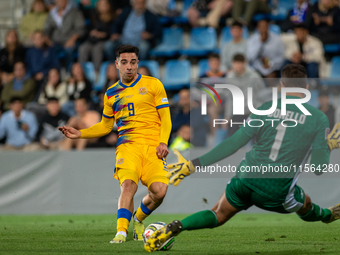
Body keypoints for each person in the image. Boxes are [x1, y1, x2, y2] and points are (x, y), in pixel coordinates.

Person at [144, 64, 340, 252]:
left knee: (217, 214)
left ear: (281, 86)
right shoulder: (318, 118)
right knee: (305, 203)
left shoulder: (265, 108)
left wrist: (193, 165)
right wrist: (328, 145)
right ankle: (327, 215)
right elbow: (318, 167)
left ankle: (177, 226)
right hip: (277, 192)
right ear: (306, 88)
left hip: (245, 178)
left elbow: (233, 143)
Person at [59, 45, 172, 243]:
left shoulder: (154, 84)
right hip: (128, 147)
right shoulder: (111, 93)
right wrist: (81, 133)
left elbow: (166, 118)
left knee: (159, 192)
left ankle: (138, 218)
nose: (129, 66)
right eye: (125, 62)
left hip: (153, 146)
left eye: (133, 62)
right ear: (116, 64)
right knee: (128, 186)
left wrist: (163, 142)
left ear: (138, 63)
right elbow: (105, 126)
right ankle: (121, 232)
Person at [224, 54, 265, 137]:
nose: (238, 65)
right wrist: (227, 116)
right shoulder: (229, 78)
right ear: (233, 64)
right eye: (236, 63)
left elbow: (262, 95)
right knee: (232, 135)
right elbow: (230, 99)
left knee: (257, 134)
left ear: (245, 63)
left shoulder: (255, 76)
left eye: (240, 63)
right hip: (238, 112)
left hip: (253, 111)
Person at [44, 0, 85, 70]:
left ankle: (69, 72)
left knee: (69, 50)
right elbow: (47, 29)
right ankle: (54, 73)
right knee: (47, 51)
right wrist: (47, 40)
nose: (60, 2)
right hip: (56, 41)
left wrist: (72, 40)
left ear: (66, 1)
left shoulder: (74, 12)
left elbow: (81, 29)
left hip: (71, 40)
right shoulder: (52, 13)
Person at [78, 0, 115, 73]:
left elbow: (113, 31)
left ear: (109, 5)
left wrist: (104, 34)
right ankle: (81, 71)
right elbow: (88, 29)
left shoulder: (113, 17)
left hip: (104, 41)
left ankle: (96, 71)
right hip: (92, 40)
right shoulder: (94, 16)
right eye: (101, 4)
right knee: (83, 48)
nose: (103, 6)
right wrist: (92, 32)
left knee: (97, 49)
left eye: (104, 4)